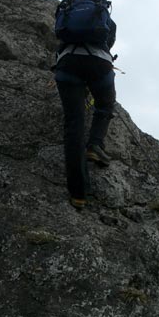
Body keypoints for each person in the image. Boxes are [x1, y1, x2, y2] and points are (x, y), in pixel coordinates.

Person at [54, 19, 117, 209]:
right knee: (105, 105)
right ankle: (95, 145)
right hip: (100, 63)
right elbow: (109, 42)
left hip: (67, 63)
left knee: (74, 123)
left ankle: (78, 194)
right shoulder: (106, 20)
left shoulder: (66, 21)